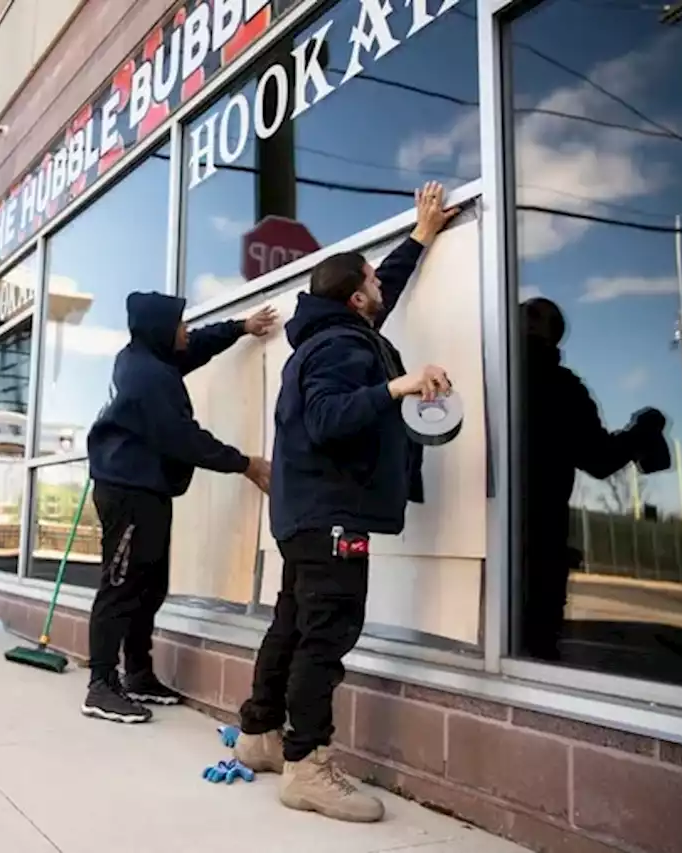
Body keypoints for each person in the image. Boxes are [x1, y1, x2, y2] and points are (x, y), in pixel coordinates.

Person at [233, 182, 459, 823]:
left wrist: (420, 235)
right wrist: (402, 384)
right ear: (356, 298)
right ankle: (308, 766)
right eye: (371, 283)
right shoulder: (339, 347)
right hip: (331, 515)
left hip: (306, 514)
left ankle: (260, 736)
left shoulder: (334, 333)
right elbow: (331, 418)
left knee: (294, 624)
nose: (380, 288)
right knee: (324, 636)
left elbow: (380, 282)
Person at [81, 292, 276, 724]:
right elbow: (183, 438)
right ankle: (100, 685)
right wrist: (245, 464)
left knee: (148, 588)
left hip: (147, 491)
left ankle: (137, 673)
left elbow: (196, 344)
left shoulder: (147, 357)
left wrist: (240, 327)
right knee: (121, 586)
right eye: (180, 324)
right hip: (127, 493)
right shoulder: (147, 378)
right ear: (160, 331)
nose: (186, 330)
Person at [518, 296, 667, 661]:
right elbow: (599, 459)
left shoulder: (534, 381)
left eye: (532, 314)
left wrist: (639, 434)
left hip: (525, 538)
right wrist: (643, 432)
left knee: (527, 648)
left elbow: (598, 458)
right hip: (531, 540)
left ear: (547, 333)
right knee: (534, 649)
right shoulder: (557, 386)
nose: (521, 314)